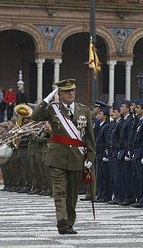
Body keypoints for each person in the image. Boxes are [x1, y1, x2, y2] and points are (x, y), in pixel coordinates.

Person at [31, 79, 95, 235]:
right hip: (57, 158)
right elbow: (35, 116)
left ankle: (69, 222)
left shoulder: (84, 111)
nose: (71, 93)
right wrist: (47, 99)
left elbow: (89, 138)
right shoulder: (53, 109)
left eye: (72, 90)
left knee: (72, 194)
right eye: (67, 91)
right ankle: (61, 221)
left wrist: (90, 160)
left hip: (77, 158)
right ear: (59, 94)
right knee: (59, 191)